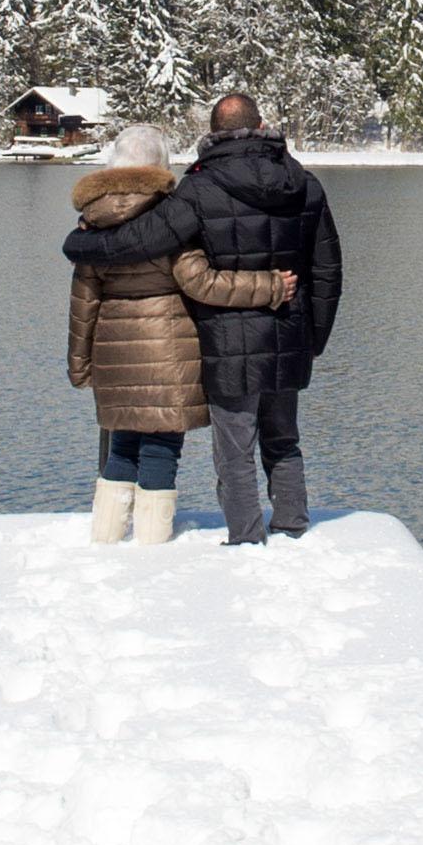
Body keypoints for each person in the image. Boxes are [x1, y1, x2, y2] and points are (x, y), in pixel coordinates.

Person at [62, 122, 292, 544]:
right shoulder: (171, 218)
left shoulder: (91, 222)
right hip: (168, 352)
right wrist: (271, 286)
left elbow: (83, 302)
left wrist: (80, 365)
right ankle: (152, 545)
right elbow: (201, 282)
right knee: (161, 448)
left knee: (122, 445)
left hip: (113, 355)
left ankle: (106, 537)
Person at [163, 90, 341, 545]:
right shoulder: (303, 182)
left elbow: (166, 250)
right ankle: (293, 527)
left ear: (213, 133)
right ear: (261, 126)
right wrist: (313, 337)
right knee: (283, 440)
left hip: (226, 341)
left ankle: (245, 539)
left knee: (234, 450)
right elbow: (327, 270)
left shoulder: (197, 188)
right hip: (289, 330)